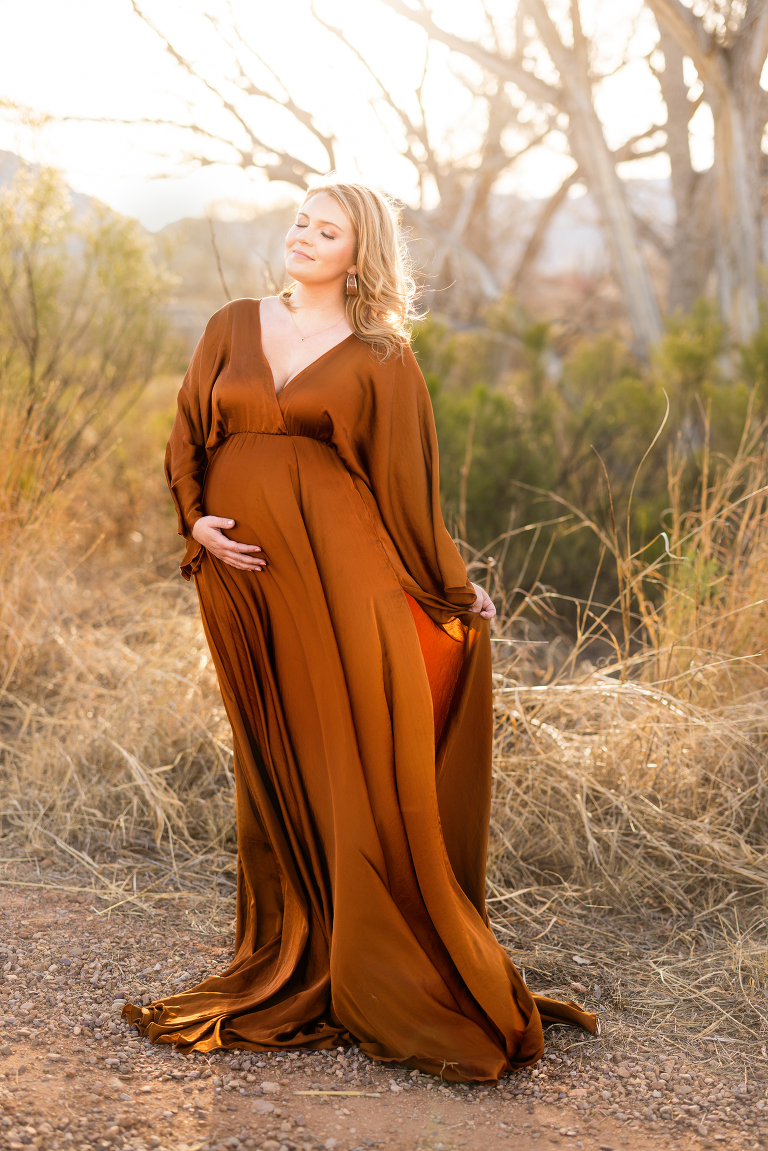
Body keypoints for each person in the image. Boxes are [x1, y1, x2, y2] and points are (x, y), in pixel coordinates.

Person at [123, 181, 595, 1080]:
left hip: (348, 582)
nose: (304, 235)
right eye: (301, 220)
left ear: (359, 251)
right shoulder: (231, 324)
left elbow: (407, 492)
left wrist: (453, 590)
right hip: (248, 586)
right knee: (280, 757)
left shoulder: (383, 357)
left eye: (326, 228)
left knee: (359, 762)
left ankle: (384, 966)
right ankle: (303, 941)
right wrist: (195, 519)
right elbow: (187, 429)